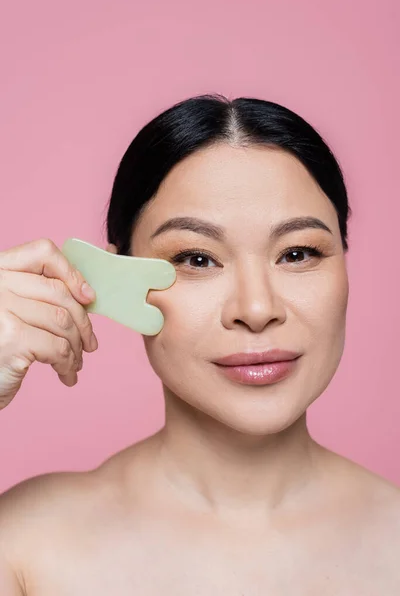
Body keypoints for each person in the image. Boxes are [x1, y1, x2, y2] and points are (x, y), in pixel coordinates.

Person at [0, 94, 399, 595]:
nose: (256, 309)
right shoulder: (22, 547)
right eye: (197, 259)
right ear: (113, 280)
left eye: (298, 253)